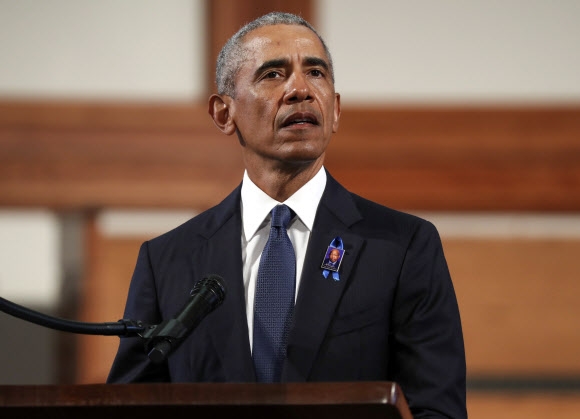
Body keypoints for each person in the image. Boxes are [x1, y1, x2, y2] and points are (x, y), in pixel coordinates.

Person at [107, 11, 467, 418]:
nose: (301, 89)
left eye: (316, 73)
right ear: (224, 114)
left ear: (335, 108)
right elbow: (128, 405)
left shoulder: (403, 248)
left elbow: (438, 410)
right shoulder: (167, 260)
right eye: (273, 75)